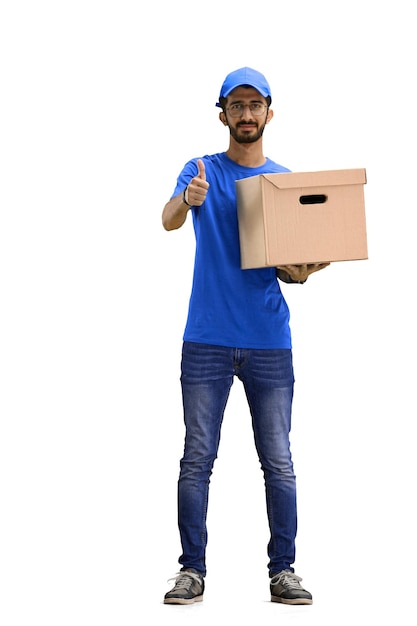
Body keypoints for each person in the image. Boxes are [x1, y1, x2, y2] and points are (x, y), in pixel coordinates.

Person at [162, 67, 329, 606]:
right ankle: (191, 571)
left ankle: (284, 572)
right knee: (197, 457)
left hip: (268, 340)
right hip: (206, 337)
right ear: (223, 115)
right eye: (237, 106)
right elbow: (166, 220)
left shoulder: (284, 182)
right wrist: (188, 199)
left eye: (255, 105)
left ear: (269, 114)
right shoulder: (201, 170)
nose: (247, 114)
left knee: (277, 459)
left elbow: (291, 267)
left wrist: (304, 269)